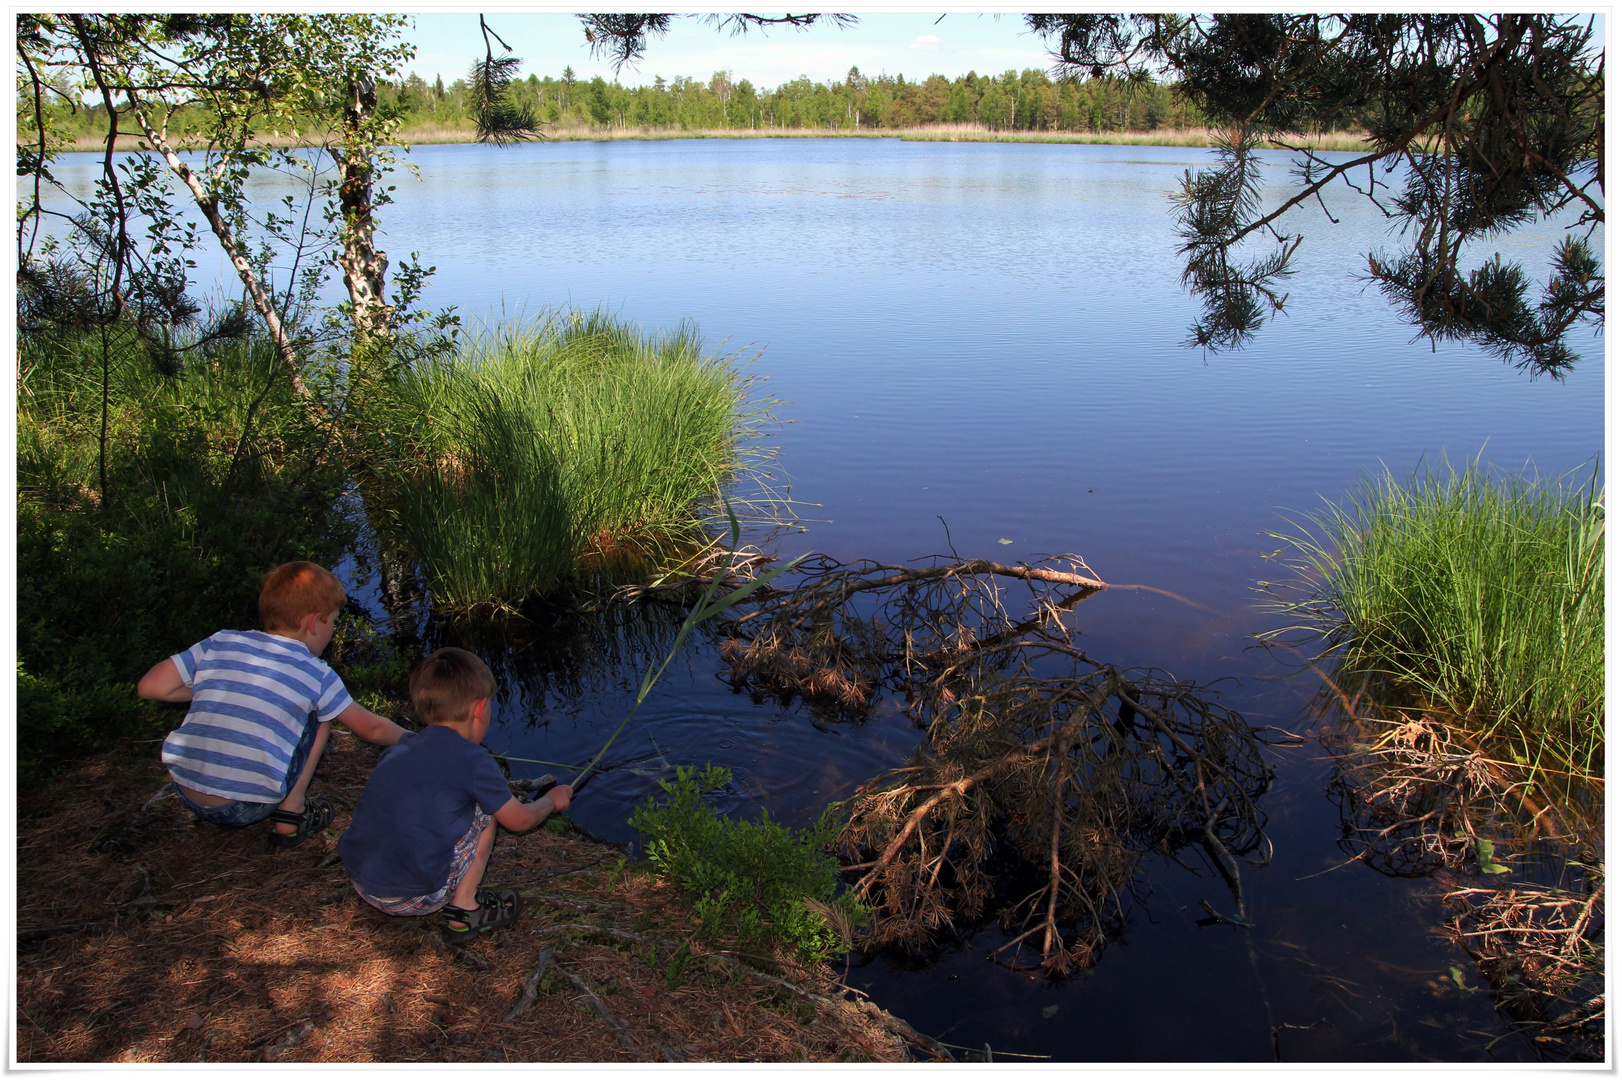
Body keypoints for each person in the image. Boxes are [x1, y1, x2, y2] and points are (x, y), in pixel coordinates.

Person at [137, 561, 405, 846]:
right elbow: (371, 729)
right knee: (322, 713)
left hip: (185, 789)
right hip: (246, 808)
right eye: (334, 621)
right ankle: (292, 814)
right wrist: (419, 738)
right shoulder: (316, 672)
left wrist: (217, 685)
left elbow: (151, 687)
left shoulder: (222, 641)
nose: (333, 629)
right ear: (314, 623)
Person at [337, 647, 574, 941]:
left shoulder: (400, 749)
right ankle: (465, 909)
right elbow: (519, 820)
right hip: (414, 898)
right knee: (487, 811)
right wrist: (551, 802)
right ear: (479, 709)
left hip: (362, 882)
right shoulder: (474, 760)